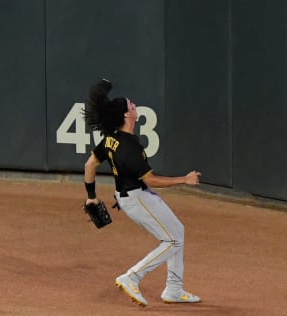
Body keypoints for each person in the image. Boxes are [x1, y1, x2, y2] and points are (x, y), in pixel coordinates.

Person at [82, 79, 201, 307]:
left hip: (134, 197)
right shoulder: (129, 147)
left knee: (178, 231)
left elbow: (90, 165)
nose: (135, 105)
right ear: (127, 116)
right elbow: (151, 180)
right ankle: (132, 277)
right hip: (137, 198)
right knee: (172, 240)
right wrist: (184, 180)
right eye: (131, 104)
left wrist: (91, 195)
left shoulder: (110, 140)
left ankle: (174, 289)